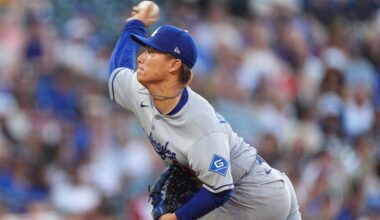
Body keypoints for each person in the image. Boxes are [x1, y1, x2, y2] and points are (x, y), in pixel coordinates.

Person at [108, 3, 302, 220]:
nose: (141, 57)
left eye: (151, 53)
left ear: (173, 66)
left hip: (254, 195)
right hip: (254, 187)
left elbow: (220, 191)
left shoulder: (199, 123)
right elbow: (117, 73)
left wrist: (176, 218)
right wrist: (134, 25)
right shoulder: (141, 91)